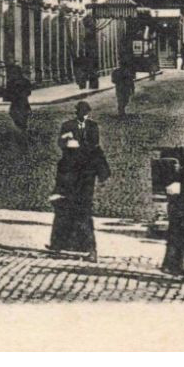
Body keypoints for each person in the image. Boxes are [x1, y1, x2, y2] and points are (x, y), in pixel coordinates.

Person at [48, 101, 109, 260]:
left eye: (85, 112)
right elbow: (61, 144)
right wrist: (65, 140)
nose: (83, 115)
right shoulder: (67, 125)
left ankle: (88, 247)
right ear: (77, 113)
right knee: (65, 208)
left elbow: (94, 145)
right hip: (70, 172)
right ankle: (60, 244)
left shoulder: (92, 126)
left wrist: (79, 145)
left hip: (86, 173)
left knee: (84, 210)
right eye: (81, 112)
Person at [1, 63, 32, 133]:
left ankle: (22, 127)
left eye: (14, 72)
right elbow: (29, 92)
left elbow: (7, 92)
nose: (13, 74)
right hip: (22, 101)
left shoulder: (12, 82)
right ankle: (22, 126)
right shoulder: (25, 81)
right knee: (21, 114)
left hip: (18, 102)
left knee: (15, 113)